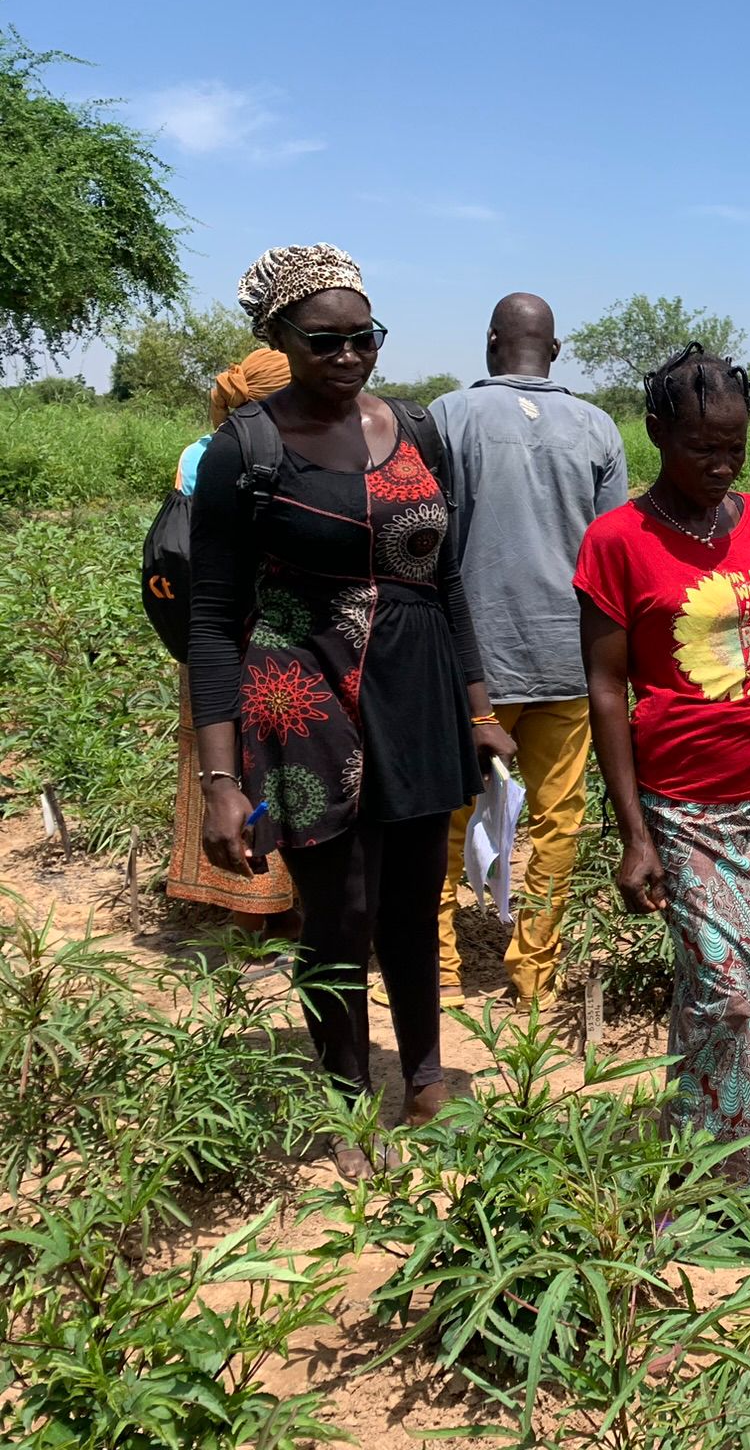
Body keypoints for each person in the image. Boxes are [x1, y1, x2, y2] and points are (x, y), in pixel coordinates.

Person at [188, 244, 516, 1177]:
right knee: (339, 911)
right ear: (276, 337)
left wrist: (479, 705)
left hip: (415, 693)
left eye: (363, 336)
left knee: (413, 902)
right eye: (324, 338)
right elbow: (213, 620)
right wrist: (221, 780)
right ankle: (343, 1104)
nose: (348, 354)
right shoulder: (244, 449)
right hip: (302, 697)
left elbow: (446, 581)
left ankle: (421, 1076)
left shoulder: (416, 430)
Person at [575, 345, 750, 1193]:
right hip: (682, 807)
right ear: (655, 433)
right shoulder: (617, 541)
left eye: (734, 447)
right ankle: (720, 1171)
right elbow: (607, 689)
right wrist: (632, 833)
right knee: (730, 993)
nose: (720, 465)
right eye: (700, 448)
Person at [430, 293, 627, 1007]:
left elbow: (426, 541)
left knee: (446, 816)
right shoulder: (597, 427)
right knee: (556, 819)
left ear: (491, 343)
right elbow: (612, 553)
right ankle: (533, 974)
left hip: (471, 664)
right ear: (557, 348)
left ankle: (440, 969)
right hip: (569, 659)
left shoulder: (448, 418)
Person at [166, 349, 300, 938]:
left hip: (211, 636)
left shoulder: (199, 452)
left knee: (228, 765)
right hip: (261, 636)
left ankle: (252, 914)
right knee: (279, 763)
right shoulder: (268, 449)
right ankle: (281, 911)